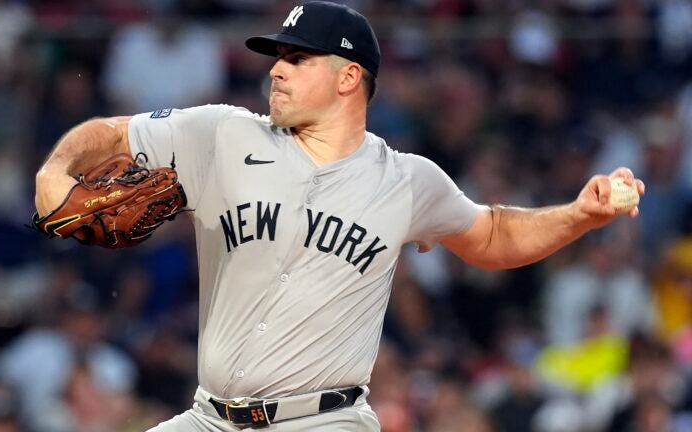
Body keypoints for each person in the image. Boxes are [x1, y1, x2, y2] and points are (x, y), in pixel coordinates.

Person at [34, 2, 645, 431]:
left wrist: (578, 216)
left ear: (349, 76)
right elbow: (113, 135)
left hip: (324, 422)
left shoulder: (405, 179)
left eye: (298, 58)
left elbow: (494, 235)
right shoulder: (222, 133)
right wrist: (54, 172)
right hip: (209, 419)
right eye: (278, 56)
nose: (277, 67)